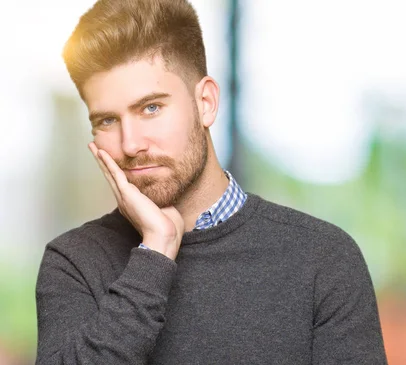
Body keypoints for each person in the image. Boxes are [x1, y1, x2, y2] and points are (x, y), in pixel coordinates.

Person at [35, 0, 387, 364]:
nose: (130, 144)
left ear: (205, 102)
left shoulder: (323, 260)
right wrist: (155, 253)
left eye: (151, 108)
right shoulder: (73, 262)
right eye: (108, 120)